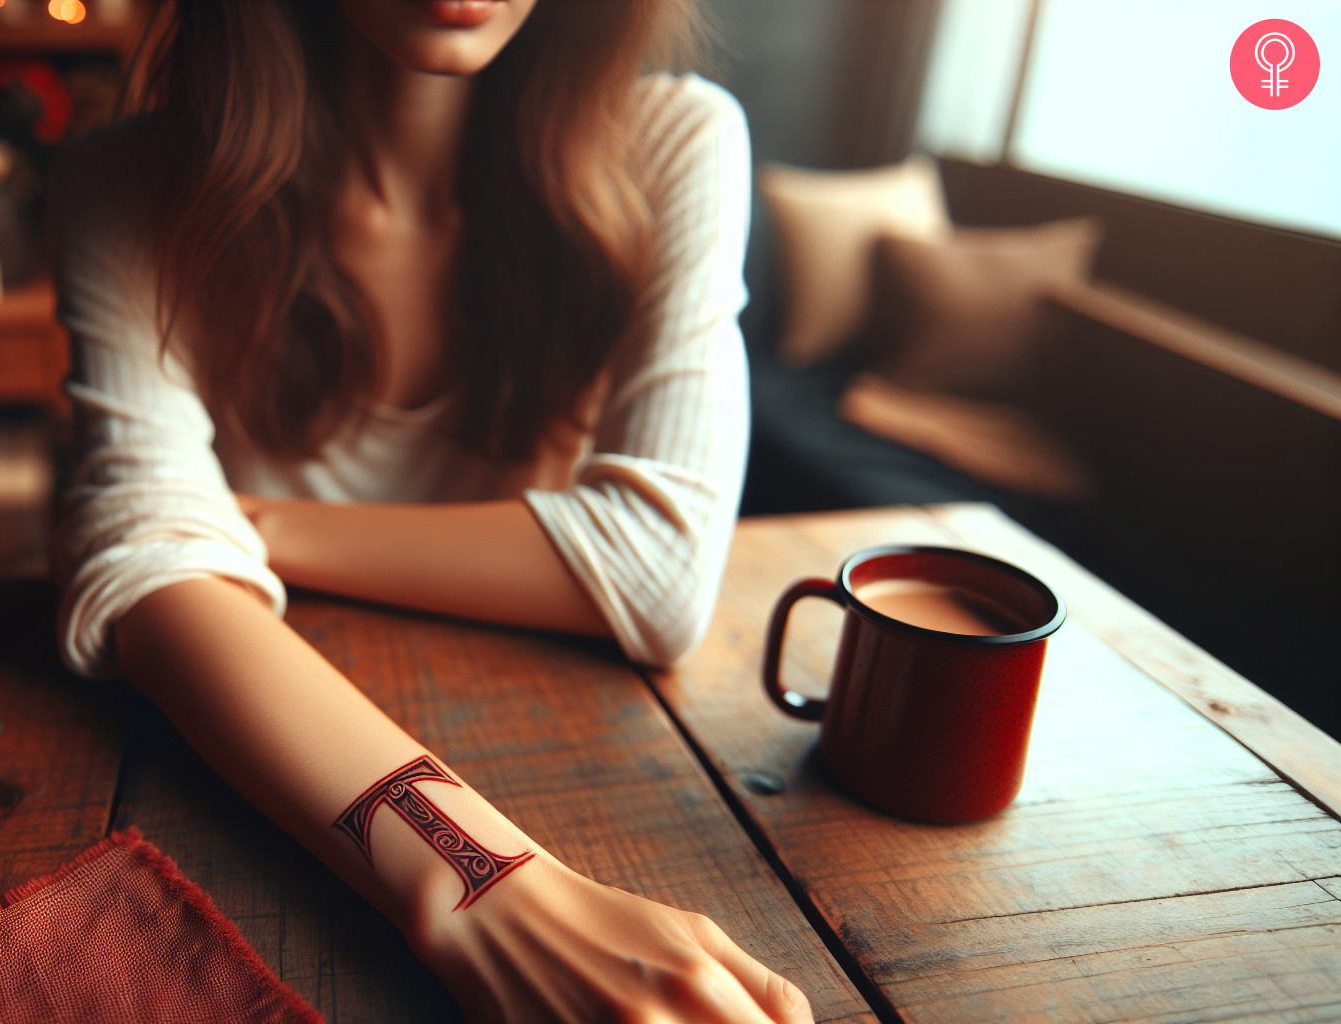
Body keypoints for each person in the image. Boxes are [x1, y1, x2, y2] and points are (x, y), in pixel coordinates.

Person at [51, 1, 810, 1021]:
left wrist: (244, 526)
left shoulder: (675, 137)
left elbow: (652, 569)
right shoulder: (128, 186)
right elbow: (149, 574)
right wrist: (482, 879)